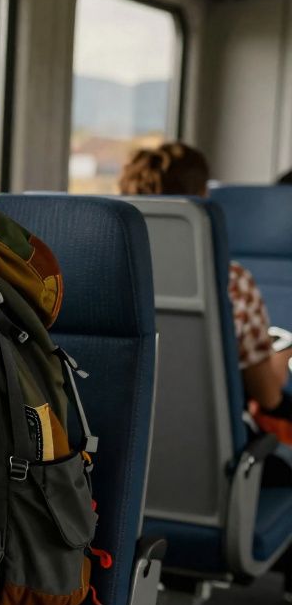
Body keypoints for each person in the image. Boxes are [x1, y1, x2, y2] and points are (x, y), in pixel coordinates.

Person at [118, 143, 292, 421]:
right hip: (204, 443)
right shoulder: (229, 279)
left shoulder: (110, 274)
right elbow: (268, 395)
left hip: (114, 440)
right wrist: (282, 356)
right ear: (201, 198)